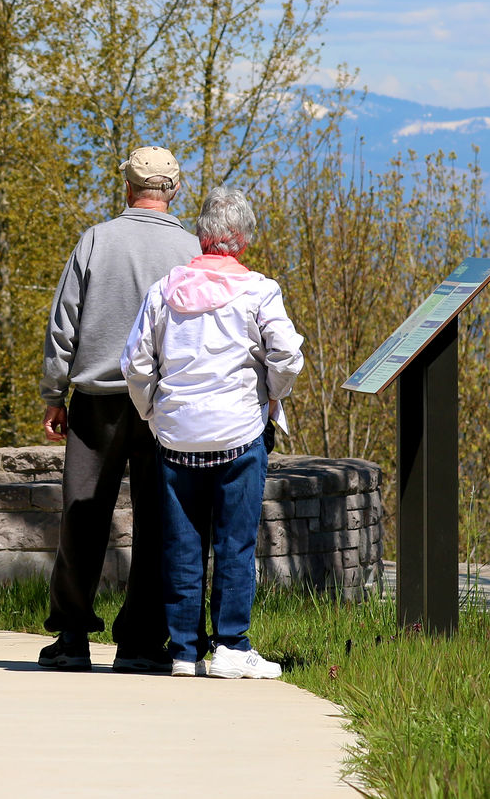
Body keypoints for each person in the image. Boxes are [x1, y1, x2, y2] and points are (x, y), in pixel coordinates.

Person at [121, 185, 303, 679]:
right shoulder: (260, 290)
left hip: (177, 435)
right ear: (242, 240)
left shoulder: (164, 290)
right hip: (238, 432)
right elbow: (287, 356)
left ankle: (183, 651)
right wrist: (271, 396)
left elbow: (136, 363)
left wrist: (153, 414)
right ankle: (230, 646)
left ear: (202, 237)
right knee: (235, 543)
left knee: (181, 545)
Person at [37, 146, 200, 673]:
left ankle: (72, 638)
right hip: (164, 406)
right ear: (173, 190)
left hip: (97, 402)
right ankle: (140, 642)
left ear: (127, 188)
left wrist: (53, 394)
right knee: (160, 523)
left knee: (82, 518)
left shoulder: (97, 240)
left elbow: (65, 322)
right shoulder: (193, 250)